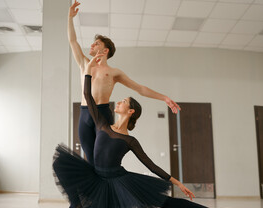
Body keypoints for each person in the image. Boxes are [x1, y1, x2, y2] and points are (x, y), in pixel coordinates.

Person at [52, 57, 239, 208]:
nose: (118, 102)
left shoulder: (130, 141)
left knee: (166, 202)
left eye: (123, 102)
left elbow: (151, 166)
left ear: (130, 111)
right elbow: (87, 95)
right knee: (61, 164)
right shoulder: (102, 123)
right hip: (96, 176)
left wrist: (178, 182)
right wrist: (87, 71)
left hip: (119, 180)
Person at [68, 0, 180, 166]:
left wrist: (164, 98)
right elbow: (72, 41)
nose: (91, 45)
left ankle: (109, 189)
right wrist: (69, 18)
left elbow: (140, 88)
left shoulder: (114, 73)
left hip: (103, 114)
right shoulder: (85, 64)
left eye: (96, 43)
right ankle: (93, 192)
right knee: (89, 159)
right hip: (85, 114)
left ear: (105, 51)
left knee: (102, 160)